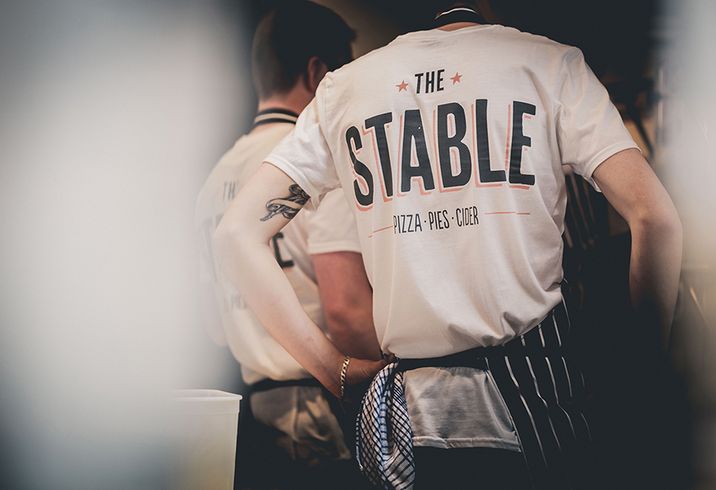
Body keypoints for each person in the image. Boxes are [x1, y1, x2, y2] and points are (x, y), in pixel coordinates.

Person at [215, 1, 682, 488]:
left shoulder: (345, 89)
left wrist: (334, 369)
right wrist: (641, 378)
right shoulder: (547, 64)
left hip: (411, 424)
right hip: (537, 401)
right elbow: (656, 217)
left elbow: (236, 234)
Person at [195, 2, 380, 488]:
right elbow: (347, 310)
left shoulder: (212, 182)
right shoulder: (321, 162)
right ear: (320, 74)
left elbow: (215, 328)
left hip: (254, 412)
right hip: (327, 405)